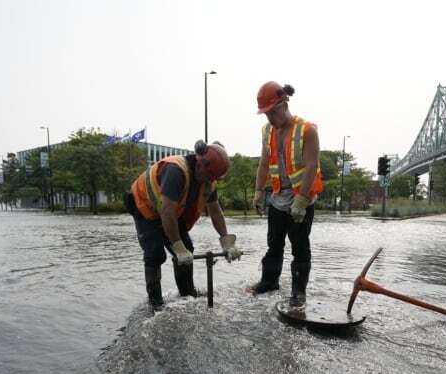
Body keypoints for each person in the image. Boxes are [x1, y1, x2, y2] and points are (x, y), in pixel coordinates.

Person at [126, 141, 242, 311]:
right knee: (155, 253)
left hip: (170, 211)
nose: (209, 180)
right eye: (208, 175)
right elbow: (166, 212)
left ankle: (187, 294)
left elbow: (215, 211)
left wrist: (227, 241)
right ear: (199, 162)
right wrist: (177, 247)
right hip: (145, 208)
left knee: (188, 247)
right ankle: (155, 303)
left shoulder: (209, 181)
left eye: (213, 178)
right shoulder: (176, 171)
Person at [250, 81, 322, 307]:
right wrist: (259, 191)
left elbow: (311, 166)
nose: (269, 118)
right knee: (274, 244)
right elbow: (263, 164)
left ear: (284, 103)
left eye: (272, 112)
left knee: (300, 247)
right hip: (278, 198)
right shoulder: (267, 131)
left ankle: (298, 293)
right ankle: (269, 282)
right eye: (266, 114)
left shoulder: (307, 130)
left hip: (302, 198)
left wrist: (301, 201)